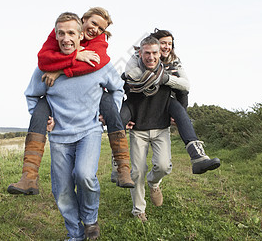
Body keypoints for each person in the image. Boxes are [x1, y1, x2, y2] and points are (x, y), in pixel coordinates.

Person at [7, 7, 134, 196]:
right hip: (60, 115)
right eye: (93, 23)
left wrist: (59, 70)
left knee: (109, 104)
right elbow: (44, 59)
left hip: (95, 99)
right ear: (83, 21)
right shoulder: (63, 35)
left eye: (100, 28)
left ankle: (123, 168)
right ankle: (29, 176)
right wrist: (74, 55)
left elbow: (98, 64)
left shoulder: (98, 46)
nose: (95, 30)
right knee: (40, 109)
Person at [24, 12, 124, 240]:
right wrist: (43, 119)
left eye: (71, 33)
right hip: (59, 136)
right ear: (55, 35)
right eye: (61, 33)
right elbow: (32, 95)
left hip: (89, 131)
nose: (66, 38)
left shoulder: (97, 62)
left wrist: (109, 113)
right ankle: (75, 235)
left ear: (80, 36)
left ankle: (90, 220)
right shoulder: (45, 67)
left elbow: (117, 89)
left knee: (85, 175)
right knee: (62, 191)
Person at [122, 29, 220, 175]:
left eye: (170, 44)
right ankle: (119, 165)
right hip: (139, 105)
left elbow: (185, 85)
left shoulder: (174, 60)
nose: (167, 47)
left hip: (165, 102)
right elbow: (130, 74)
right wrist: (155, 75)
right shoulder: (138, 57)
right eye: (163, 43)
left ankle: (198, 157)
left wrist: (167, 79)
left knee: (180, 107)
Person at [121, 35, 177, 222]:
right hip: (138, 129)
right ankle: (139, 210)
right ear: (140, 53)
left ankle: (154, 182)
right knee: (137, 171)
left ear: (160, 53)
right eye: (147, 53)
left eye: (155, 53)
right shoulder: (130, 74)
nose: (151, 57)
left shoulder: (168, 73)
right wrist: (123, 116)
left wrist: (178, 113)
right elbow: (117, 94)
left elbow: (183, 92)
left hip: (161, 127)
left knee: (163, 166)